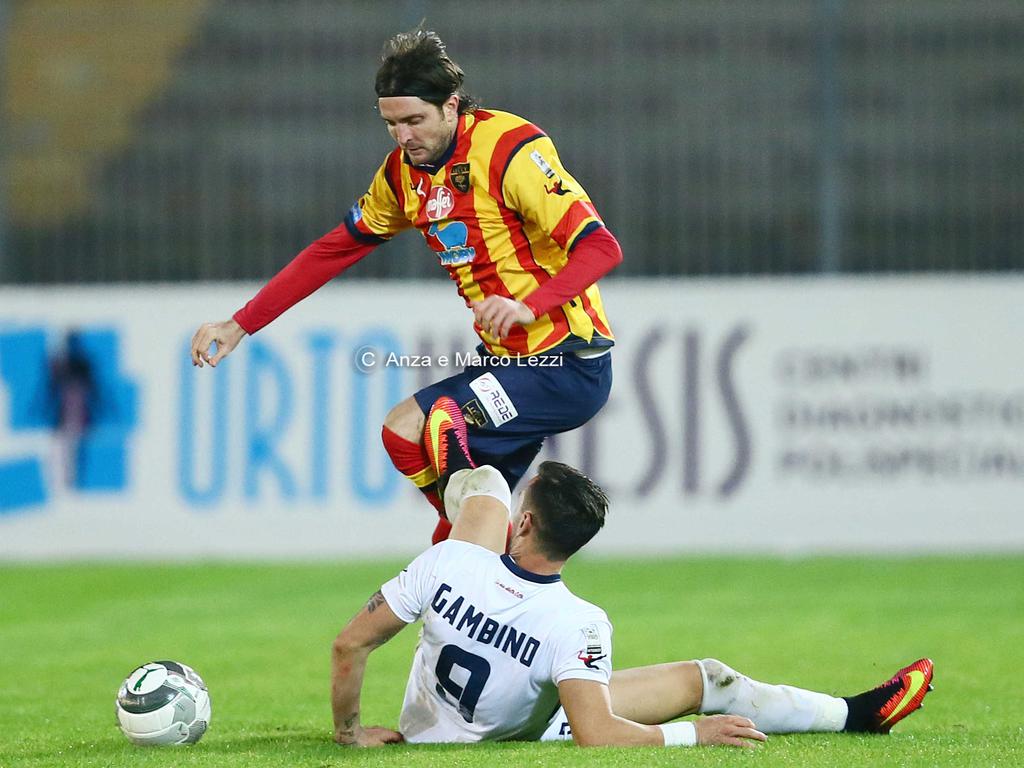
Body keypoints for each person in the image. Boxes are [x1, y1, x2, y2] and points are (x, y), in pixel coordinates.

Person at [189, 28, 622, 544]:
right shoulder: (401, 177)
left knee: (428, 422)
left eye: (415, 120)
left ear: (451, 106)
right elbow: (333, 250)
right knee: (439, 508)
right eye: (391, 123)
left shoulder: (509, 149)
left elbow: (601, 247)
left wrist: (530, 306)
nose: (403, 136)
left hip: (565, 365)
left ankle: (488, 539)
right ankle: (482, 552)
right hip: (507, 365)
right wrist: (241, 324)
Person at [328, 396, 934, 748]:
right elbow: (597, 732)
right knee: (709, 679)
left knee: (483, 487)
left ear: (524, 524)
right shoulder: (578, 622)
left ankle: (453, 472)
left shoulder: (449, 561)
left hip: (424, 726)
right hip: (522, 726)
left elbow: (349, 645)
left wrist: (350, 734)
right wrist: (694, 734)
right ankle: (853, 716)